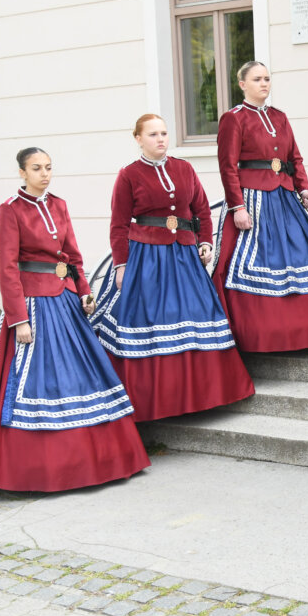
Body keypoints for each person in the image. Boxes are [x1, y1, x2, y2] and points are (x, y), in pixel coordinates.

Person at [0, 148, 149, 492]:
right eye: (36, 168)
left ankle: (97, 462)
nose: (44, 174)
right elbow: (6, 269)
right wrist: (18, 319)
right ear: (22, 172)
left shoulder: (59, 205)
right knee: (38, 381)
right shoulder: (10, 211)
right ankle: (36, 468)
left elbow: (73, 256)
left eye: (48, 168)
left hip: (65, 300)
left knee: (85, 374)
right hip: (33, 304)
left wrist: (83, 291)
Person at [90, 114, 254, 421]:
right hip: (147, 258)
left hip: (185, 257)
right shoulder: (128, 175)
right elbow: (118, 225)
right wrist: (121, 265)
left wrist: (205, 241)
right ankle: (160, 401)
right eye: (152, 134)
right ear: (138, 139)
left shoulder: (185, 168)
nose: (161, 139)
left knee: (197, 316)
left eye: (164, 133)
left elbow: (202, 210)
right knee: (155, 320)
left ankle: (204, 394)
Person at [213, 62, 308, 348]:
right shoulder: (234, 118)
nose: (264, 83)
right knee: (253, 260)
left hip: (284, 196)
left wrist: (303, 188)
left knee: (300, 256)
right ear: (242, 84)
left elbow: (295, 158)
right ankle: (260, 333)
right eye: (257, 79)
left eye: (267, 78)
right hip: (253, 199)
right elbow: (228, 167)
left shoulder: (279, 117)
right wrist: (237, 207)